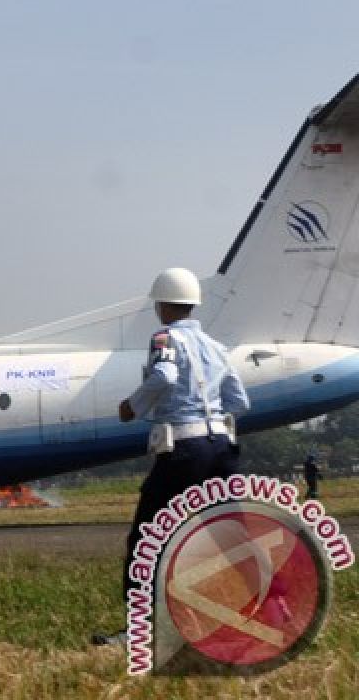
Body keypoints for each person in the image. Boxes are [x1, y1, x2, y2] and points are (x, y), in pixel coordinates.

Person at [94, 267, 250, 646]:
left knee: (148, 537)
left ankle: (140, 630)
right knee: (232, 535)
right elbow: (240, 401)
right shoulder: (216, 346)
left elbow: (163, 376)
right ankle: (268, 611)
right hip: (221, 449)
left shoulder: (164, 337)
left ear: (163, 304)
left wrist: (133, 406)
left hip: (185, 451)